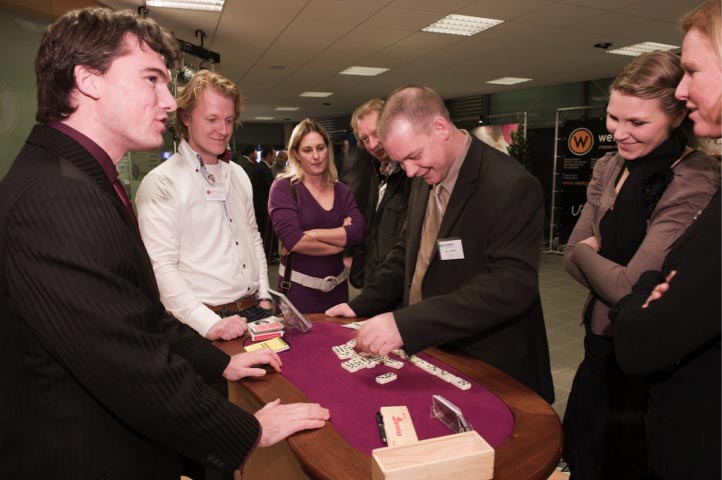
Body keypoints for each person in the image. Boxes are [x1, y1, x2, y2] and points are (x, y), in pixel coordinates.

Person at [0, 8, 329, 479]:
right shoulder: (56, 194)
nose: (169, 102)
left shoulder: (76, 178)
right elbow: (126, 363)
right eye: (152, 79)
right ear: (88, 79)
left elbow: (140, 315)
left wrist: (219, 365)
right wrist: (246, 431)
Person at [326, 86, 554, 403]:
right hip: (436, 350)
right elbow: (408, 250)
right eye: (401, 161)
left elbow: (512, 285)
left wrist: (406, 323)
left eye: (414, 156)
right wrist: (360, 304)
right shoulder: (425, 173)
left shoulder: (510, 185)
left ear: (440, 128)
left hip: (490, 362)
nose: (410, 171)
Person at [562, 50, 720, 479]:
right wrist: (588, 256)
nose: (619, 133)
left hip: (643, 372)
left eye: (637, 123)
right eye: (614, 118)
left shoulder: (693, 176)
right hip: (595, 355)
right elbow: (570, 258)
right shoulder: (610, 165)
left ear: (675, 118)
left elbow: (626, 286)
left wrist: (585, 252)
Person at [610, 3, 721, 478]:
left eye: (693, 70)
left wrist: (647, 286)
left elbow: (641, 340)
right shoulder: (612, 169)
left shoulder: (695, 178)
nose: (681, 89)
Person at [136, 70, 274, 342]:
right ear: (186, 117)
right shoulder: (162, 182)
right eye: (212, 119)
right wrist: (210, 324)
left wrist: (265, 295)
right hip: (201, 322)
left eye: (229, 120)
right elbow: (161, 267)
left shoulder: (238, 174)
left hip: (255, 311)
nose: (223, 131)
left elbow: (253, 237)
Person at [269, 118, 364, 313]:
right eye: (307, 150)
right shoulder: (283, 188)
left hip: (338, 293)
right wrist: (339, 243)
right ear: (295, 153)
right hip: (297, 294)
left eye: (320, 148)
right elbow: (294, 240)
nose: (316, 156)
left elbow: (357, 232)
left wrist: (312, 234)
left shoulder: (342, 190)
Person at [348, 98, 411, 294]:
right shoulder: (379, 172)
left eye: (377, 133)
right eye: (365, 139)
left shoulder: (414, 176)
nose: (373, 144)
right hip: (376, 283)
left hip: (399, 289)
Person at [250, 144, 277, 262]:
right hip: (263, 206)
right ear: (269, 155)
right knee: (266, 233)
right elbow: (269, 189)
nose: (274, 158)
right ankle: (268, 255)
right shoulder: (263, 169)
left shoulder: (259, 167)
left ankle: (269, 254)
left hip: (258, 206)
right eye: (274, 155)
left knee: (262, 232)